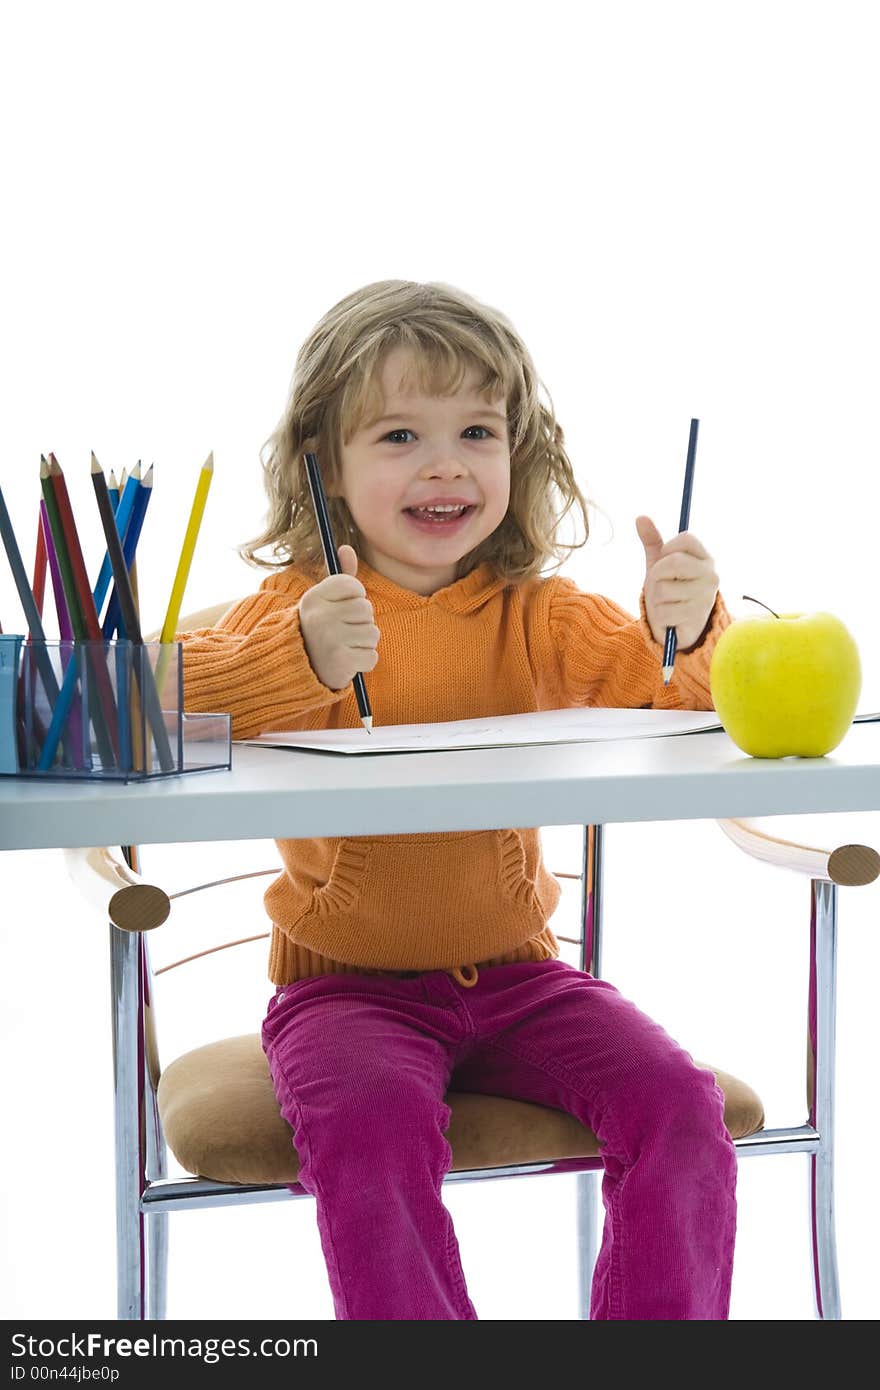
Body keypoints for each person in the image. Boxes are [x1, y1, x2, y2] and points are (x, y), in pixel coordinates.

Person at [178, 279, 737, 1320]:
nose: (444, 464)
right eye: (398, 435)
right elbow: (165, 704)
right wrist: (298, 657)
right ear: (325, 467)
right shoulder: (292, 608)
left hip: (526, 982)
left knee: (677, 1104)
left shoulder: (541, 614)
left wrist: (692, 628)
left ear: (517, 455)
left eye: (477, 430)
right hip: (345, 994)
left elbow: (679, 701)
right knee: (373, 1133)